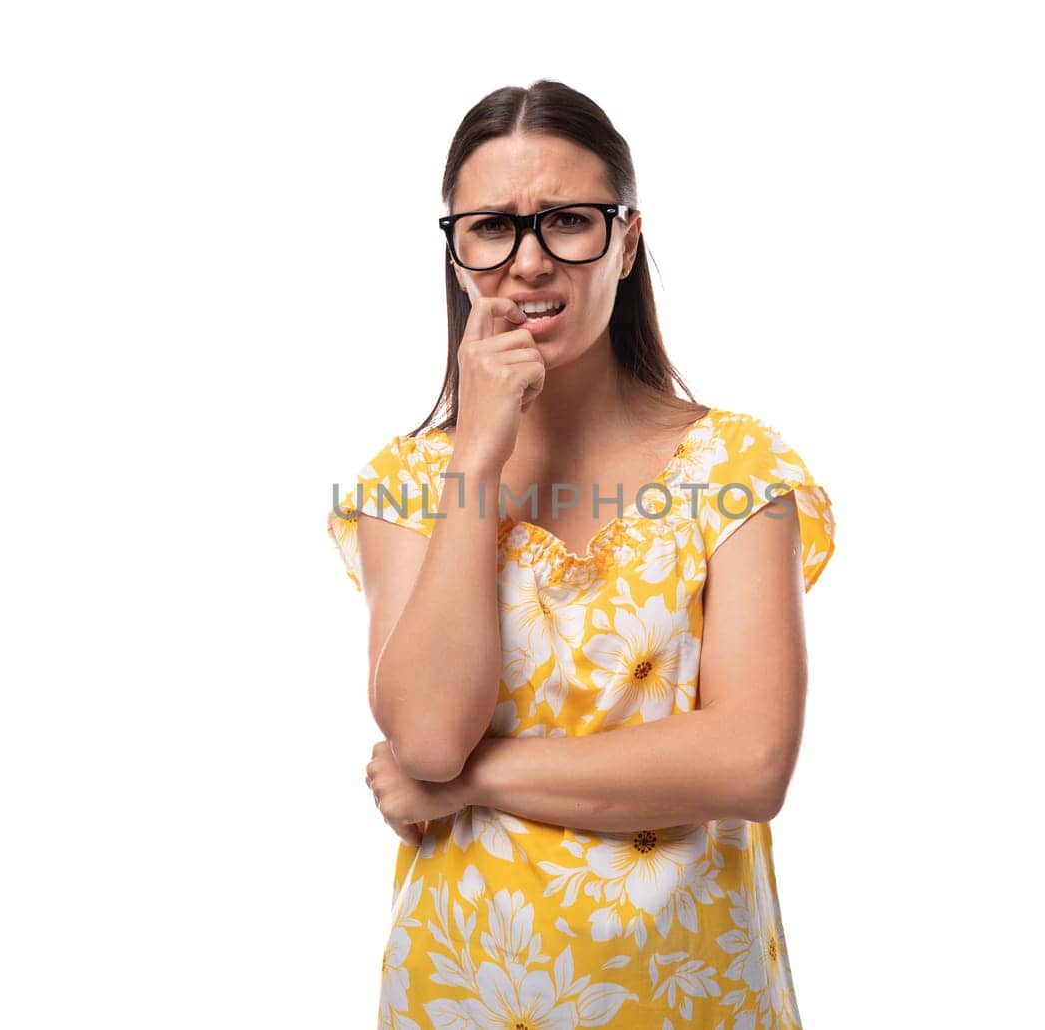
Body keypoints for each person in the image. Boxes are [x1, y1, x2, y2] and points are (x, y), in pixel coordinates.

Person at [326, 79, 835, 1028]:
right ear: (456, 249)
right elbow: (429, 732)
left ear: (628, 240)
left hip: (695, 993)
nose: (528, 263)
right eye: (490, 228)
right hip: (467, 989)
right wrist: (478, 453)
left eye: (567, 220)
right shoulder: (404, 484)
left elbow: (751, 759)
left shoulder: (736, 467)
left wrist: (474, 779)